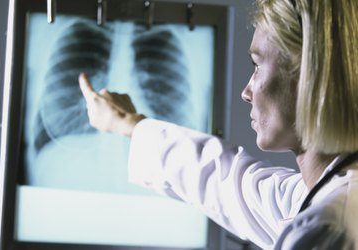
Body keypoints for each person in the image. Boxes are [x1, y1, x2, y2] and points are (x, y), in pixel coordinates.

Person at [78, 0, 358, 249]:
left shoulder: (328, 227)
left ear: (309, 78)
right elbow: (225, 180)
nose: (246, 92)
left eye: (257, 65)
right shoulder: (322, 194)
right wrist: (130, 124)